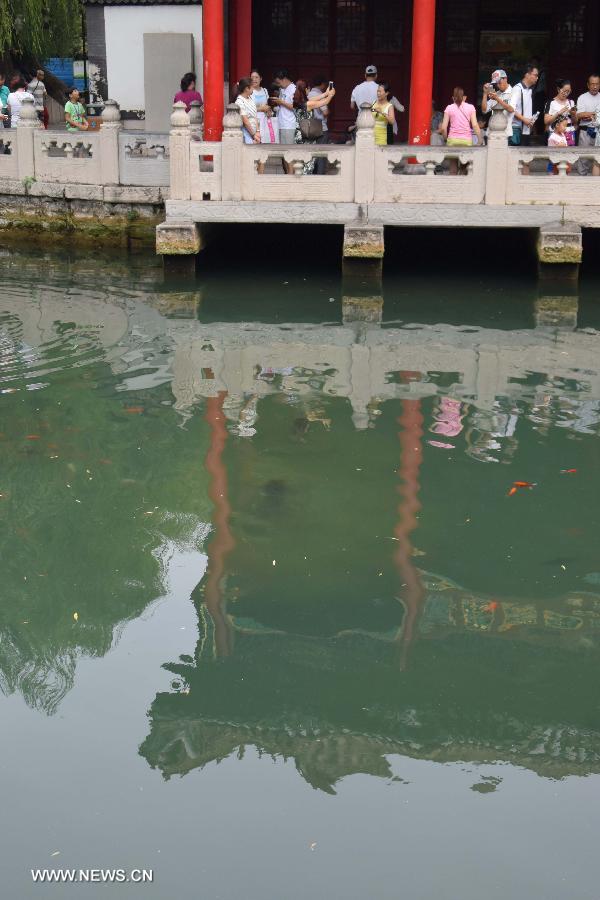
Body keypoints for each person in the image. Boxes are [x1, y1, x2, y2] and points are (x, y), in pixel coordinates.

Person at [441, 87, 481, 174]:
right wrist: (480, 139)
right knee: (464, 167)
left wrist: (445, 139)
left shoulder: (449, 108)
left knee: (453, 167)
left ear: (453, 98)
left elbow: (444, 127)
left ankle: (453, 186)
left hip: (452, 140)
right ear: (465, 97)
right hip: (466, 141)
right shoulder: (471, 107)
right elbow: (474, 124)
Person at [575, 74, 600, 175]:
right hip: (585, 131)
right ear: (588, 85)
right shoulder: (582, 97)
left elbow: (585, 114)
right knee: (583, 158)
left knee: (598, 160)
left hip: (599, 132)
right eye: (592, 84)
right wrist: (595, 113)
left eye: (597, 84)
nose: (594, 87)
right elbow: (579, 115)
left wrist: (588, 114)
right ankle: (582, 184)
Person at [509, 63, 539, 146]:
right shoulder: (517, 89)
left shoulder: (529, 90)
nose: (537, 78)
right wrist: (524, 119)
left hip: (526, 129)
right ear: (527, 75)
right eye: (535, 75)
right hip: (516, 129)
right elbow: (511, 109)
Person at [307, 75, 330, 174]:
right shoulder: (319, 95)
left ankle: (311, 173)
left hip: (309, 126)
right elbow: (325, 112)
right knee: (321, 154)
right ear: (323, 84)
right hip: (321, 127)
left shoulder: (308, 94)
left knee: (311, 152)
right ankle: (320, 175)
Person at [481, 70, 513, 138]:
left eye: (499, 82)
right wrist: (485, 93)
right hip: (492, 132)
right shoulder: (496, 94)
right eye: (496, 83)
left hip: (506, 133)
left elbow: (511, 109)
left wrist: (497, 99)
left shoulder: (513, 92)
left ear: (505, 79)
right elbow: (484, 110)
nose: (498, 85)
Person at [544, 79, 576, 145]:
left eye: (568, 91)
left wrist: (573, 114)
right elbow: (546, 121)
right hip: (556, 135)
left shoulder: (571, 102)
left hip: (569, 133)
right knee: (555, 154)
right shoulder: (551, 103)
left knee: (571, 154)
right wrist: (559, 113)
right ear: (558, 89)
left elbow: (575, 121)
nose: (566, 94)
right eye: (564, 91)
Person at [250, 69, 277, 145]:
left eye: (256, 77)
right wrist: (260, 109)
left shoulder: (264, 91)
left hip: (264, 121)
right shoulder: (249, 91)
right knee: (255, 143)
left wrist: (269, 110)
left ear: (260, 79)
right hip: (253, 120)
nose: (254, 79)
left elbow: (267, 105)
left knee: (265, 143)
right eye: (252, 77)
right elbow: (246, 108)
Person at [270, 70, 297, 147]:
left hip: (288, 124)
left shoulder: (294, 89)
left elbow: (296, 107)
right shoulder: (282, 89)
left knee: (287, 151)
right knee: (281, 150)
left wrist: (281, 102)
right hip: (280, 123)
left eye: (279, 83)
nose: (278, 85)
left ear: (284, 79)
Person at [234, 77, 260, 145]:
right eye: (252, 87)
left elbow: (255, 116)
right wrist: (253, 135)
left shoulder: (250, 99)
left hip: (255, 132)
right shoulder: (239, 101)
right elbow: (245, 121)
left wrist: (257, 131)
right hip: (246, 132)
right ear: (246, 88)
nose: (253, 89)